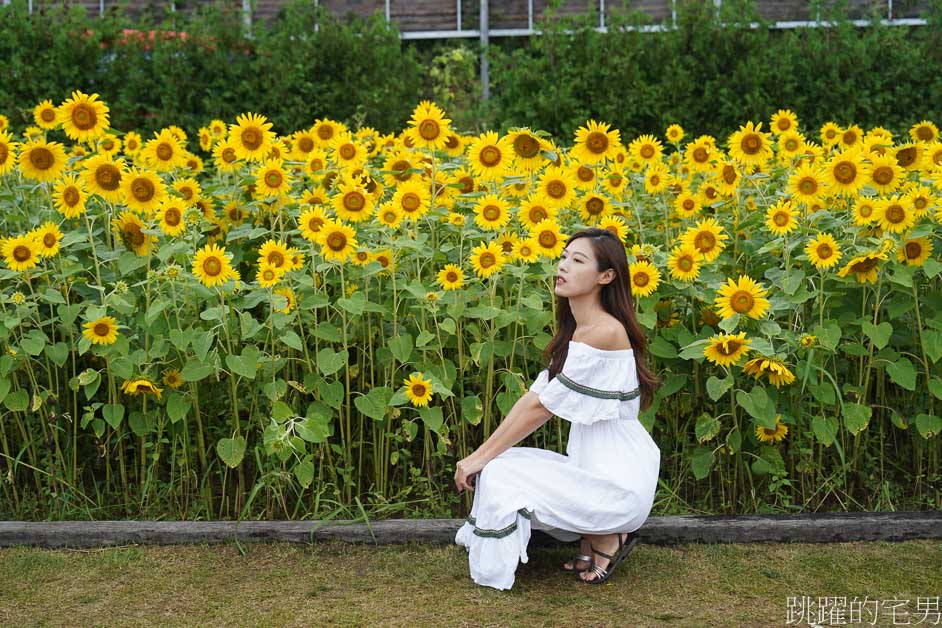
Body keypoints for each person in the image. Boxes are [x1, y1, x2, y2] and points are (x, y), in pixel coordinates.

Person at [453, 227, 661, 590]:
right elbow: (532, 400)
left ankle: (606, 535)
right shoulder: (580, 329)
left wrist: (477, 458)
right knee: (499, 466)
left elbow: (540, 409)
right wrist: (480, 456)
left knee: (500, 474)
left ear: (606, 276)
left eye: (578, 260)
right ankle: (594, 534)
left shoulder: (605, 331)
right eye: (563, 257)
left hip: (618, 484)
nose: (563, 265)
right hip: (593, 470)